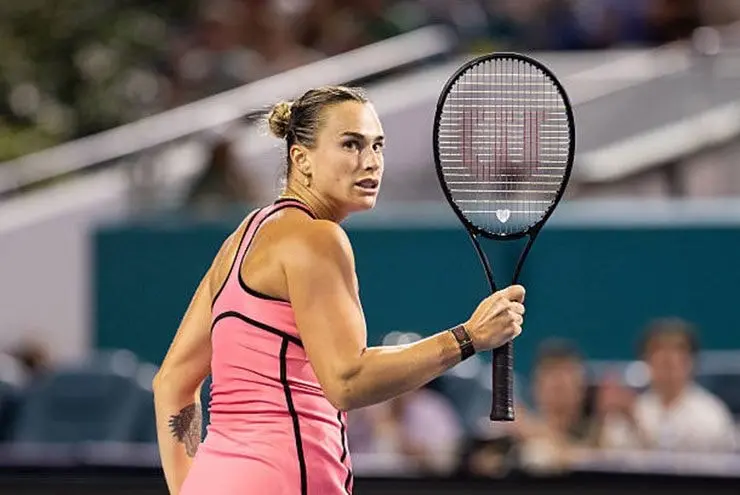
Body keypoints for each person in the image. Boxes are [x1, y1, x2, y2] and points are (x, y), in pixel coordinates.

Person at [152, 85, 526, 495]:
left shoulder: (242, 238)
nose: (371, 161)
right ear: (301, 159)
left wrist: (192, 486)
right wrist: (469, 338)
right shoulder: (317, 238)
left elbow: (172, 383)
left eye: (378, 146)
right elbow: (348, 380)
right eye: (351, 144)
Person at [593, 317, 737, 452]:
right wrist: (603, 418)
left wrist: (636, 422)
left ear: (691, 362)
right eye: (658, 351)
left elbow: (675, 460)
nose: (667, 359)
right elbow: (612, 452)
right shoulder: (637, 408)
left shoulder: (708, 413)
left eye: (677, 351)